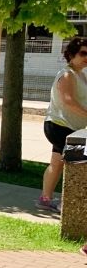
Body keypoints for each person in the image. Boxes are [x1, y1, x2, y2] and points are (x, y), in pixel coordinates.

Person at [36, 36, 87, 212]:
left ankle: (45, 199)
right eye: (83, 53)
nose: (86, 57)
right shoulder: (67, 74)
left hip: (70, 128)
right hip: (60, 126)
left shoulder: (81, 74)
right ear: (72, 54)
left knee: (57, 163)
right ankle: (69, 204)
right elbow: (68, 101)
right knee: (75, 166)